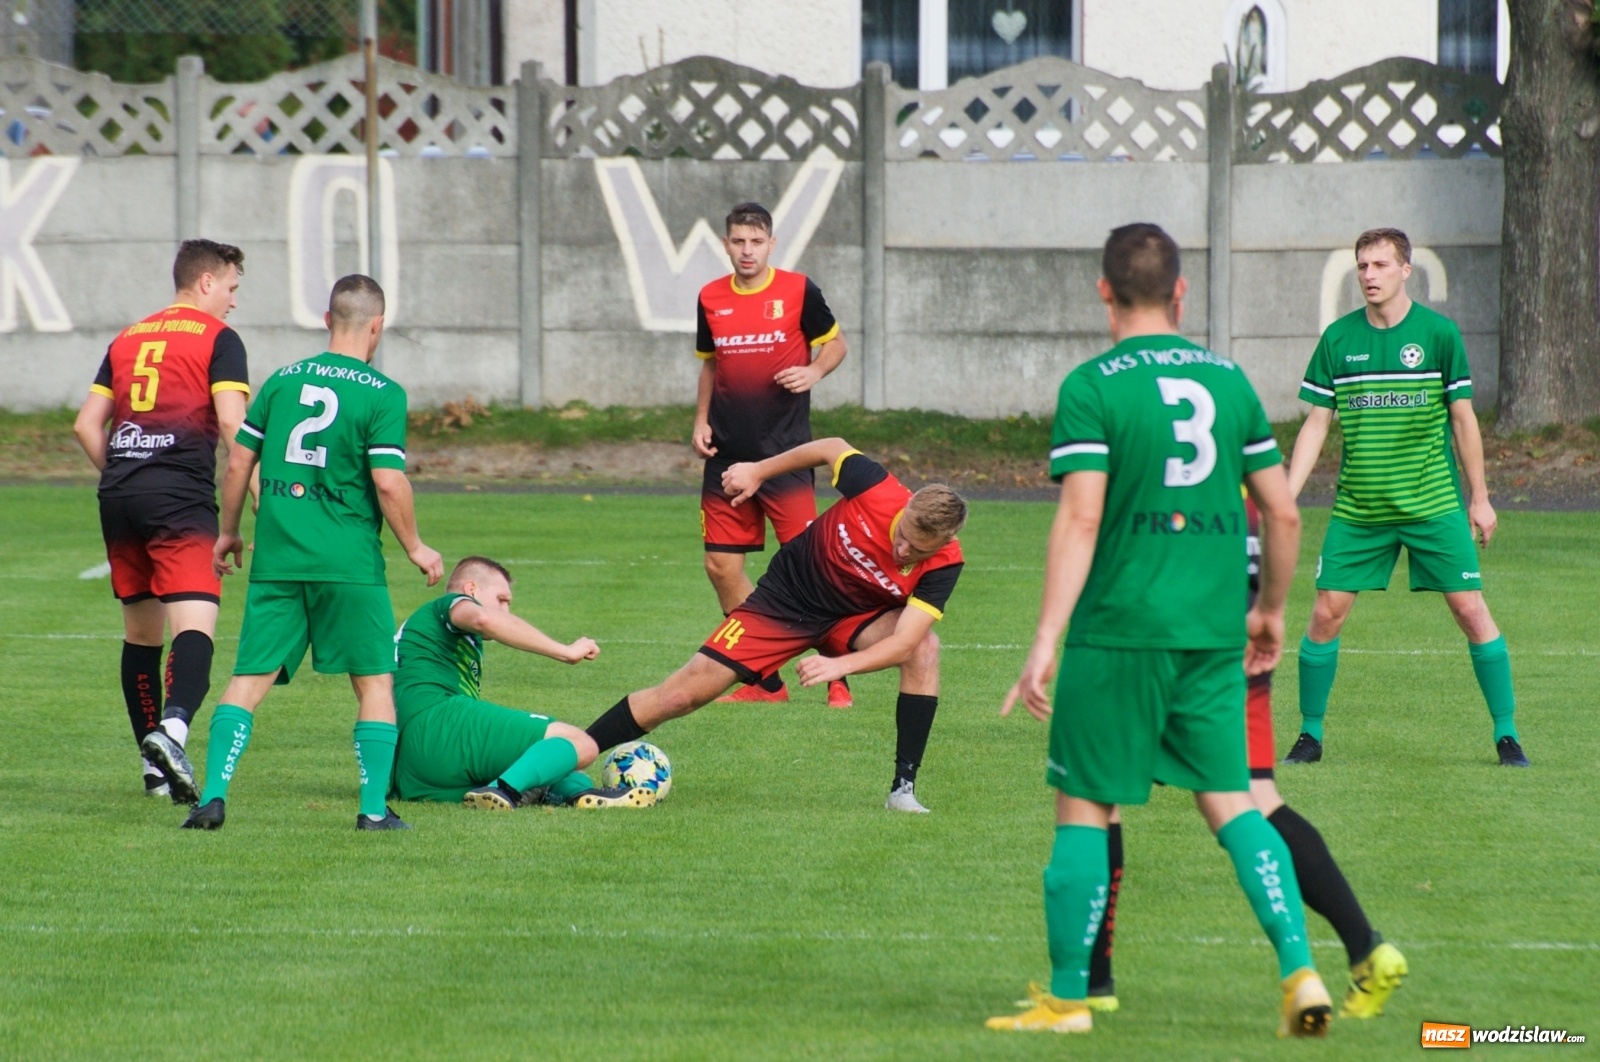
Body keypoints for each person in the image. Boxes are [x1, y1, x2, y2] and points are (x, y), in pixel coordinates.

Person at [989, 223, 1330, 1038]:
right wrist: (1271, 610)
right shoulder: (1230, 381)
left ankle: (1070, 997)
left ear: (1104, 291)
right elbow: (1282, 508)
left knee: (1083, 809)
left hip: (1118, 634)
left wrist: (1044, 639)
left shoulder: (1094, 385)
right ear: (1181, 292)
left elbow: (1080, 516)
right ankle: (1300, 971)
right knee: (1237, 806)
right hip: (1212, 635)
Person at [1079, 498, 1408, 1021]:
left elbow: (1095, 522)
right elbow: (1285, 515)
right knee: (1252, 798)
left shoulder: (1149, 438)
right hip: (1242, 627)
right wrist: (1270, 611)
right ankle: (1363, 948)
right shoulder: (1242, 442)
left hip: (1158, 635)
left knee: (1094, 797)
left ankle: (1090, 984)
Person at [181, 274, 443, 832]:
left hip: (278, 560)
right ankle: (373, 810)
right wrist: (416, 547)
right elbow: (390, 482)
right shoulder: (382, 392)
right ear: (377, 326)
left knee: (248, 679)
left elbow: (236, 464)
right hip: (348, 564)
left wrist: (227, 531)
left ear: (328, 320)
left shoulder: (280, 382)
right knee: (374, 682)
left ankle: (213, 798)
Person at [583, 438, 965, 813]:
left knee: (925, 648)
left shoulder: (945, 562)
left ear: (946, 540)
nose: (903, 552)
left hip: (855, 618)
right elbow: (830, 447)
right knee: (681, 695)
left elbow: (904, 641)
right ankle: (572, 752)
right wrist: (758, 471)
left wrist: (840, 666)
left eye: (918, 550)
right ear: (909, 504)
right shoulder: (876, 488)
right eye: (903, 537)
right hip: (786, 601)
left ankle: (903, 789)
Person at [1281, 227, 1526, 767]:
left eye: (1380, 265)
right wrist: (1285, 496)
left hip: (1432, 503)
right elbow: (1318, 424)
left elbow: (1464, 421)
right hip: (1359, 509)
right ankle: (1309, 735)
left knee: (1469, 609)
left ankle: (1507, 735)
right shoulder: (1338, 340)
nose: (1369, 275)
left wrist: (1479, 498)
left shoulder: (1439, 335)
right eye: (1362, 266)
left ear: (1405, 271)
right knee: (1325, 614)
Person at [72, 239, 251, 804]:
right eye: (231, 287)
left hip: (119, 493)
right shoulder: (220, 340)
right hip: (178, 496)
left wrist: (127, 471)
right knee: (195, 624)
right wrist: (249, 508)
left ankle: (152, 774)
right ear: (205, 283)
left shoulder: (127, 338)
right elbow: (232, 426)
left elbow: (85, 425)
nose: (233, 301)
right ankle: (172, 731)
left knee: (141, 635)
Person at [693, 201, 852, 708]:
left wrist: (814, 372)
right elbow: (711, 366)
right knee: (720, 567)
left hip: (786, 456)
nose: (746, 250)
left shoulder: (798, 290)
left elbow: (837, 345)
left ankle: (837, 675)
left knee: (809, 567)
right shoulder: (710, 297)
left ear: (771, 244)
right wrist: (699, 420)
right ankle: (764, 681)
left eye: (755, 242)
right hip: (727, 456)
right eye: (738, 241)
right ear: (726, 244)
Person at [391, 555, 653, 810]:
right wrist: (564, 651)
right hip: (437, 721)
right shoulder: (451, 604)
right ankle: (503, 790)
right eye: (501, 600)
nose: (506, 610)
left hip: (410, 768)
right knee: (580, 744)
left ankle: (579, 794)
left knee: (545, 763)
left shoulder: (429, 638)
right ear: (470, 589)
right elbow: (484, 619)